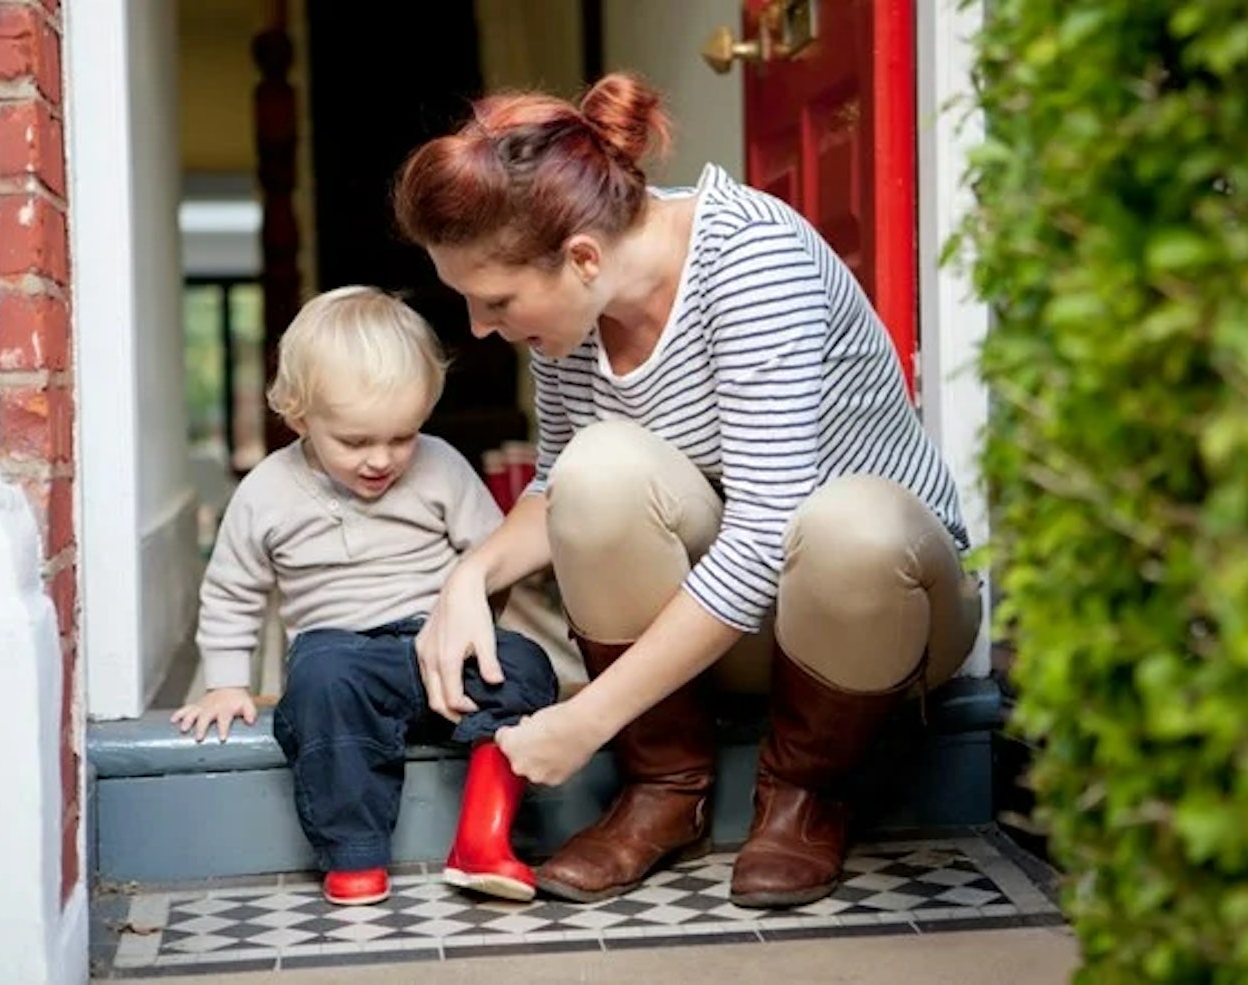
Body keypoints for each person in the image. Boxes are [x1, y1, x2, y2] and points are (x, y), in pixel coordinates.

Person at [391, 73, 982, 909]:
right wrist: (467, 578)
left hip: (882, 617)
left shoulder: (752, 258)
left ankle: (805, 796)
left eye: (494, 301)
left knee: (850, 522)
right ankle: (663, 790)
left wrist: (584, 718)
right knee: (597, 468)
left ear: (584, 256)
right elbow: (559, 483)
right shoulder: (566, 316)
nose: (483, 328)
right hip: (742, 628)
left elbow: (761, 533)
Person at [171, 286, 559, 906]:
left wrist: (479, 625)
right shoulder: (267, 493)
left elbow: (495, 554)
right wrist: (225, 681)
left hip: (438, 647)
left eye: (402, 436)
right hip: (343, 653)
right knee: (321, 683)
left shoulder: (441, 467)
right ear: (300, 417)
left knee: (526, 666)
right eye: (355, 442)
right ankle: (354, 852)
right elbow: (232, 592)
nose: (382, 459)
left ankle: (483, 836)